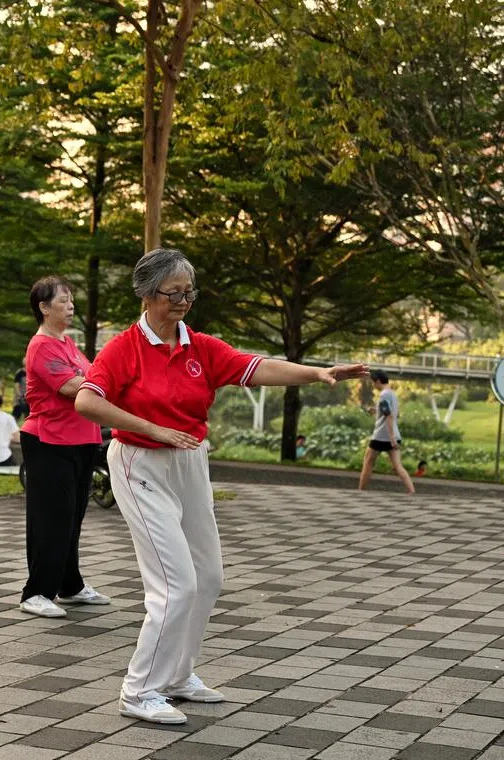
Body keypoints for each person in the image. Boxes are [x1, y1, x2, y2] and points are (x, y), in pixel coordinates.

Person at [74, 248, 368, 725]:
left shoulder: (201, 347)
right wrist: (151, 429)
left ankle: (176, 677)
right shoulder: (123, 349)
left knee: (208, 578)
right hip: (138, 463)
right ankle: (138, 690)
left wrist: (316, 372)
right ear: (148, 295)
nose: (184, 301)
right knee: (176, 585)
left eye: (190, 291)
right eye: (174, 293)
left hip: (189, 461)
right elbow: (88, 402)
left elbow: (256, 367)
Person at [18, 275, 110, 620]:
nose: (70, 307)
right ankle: (36, 592)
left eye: (71, 300)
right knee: (51, 519)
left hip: (82, 440)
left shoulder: (68, 344)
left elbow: (93, 377)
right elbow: (74, 386)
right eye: (62, 301)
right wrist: (104, 387)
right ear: (43, 308)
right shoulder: (42, 346)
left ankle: (69, 585)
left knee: (73, 518)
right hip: (49, 441)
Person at [358, 370, 415, 494]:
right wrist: (375, 411)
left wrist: (391, 438)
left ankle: (360, 491)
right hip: (393, 434)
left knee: (368, 461)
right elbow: (393, 414)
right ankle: (412, 491)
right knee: (398, 466)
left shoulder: (383, 395)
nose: (374, 385)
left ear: (378, 381)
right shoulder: (393, 394)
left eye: (373, 383)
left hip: (381, 436)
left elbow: (388, 416)